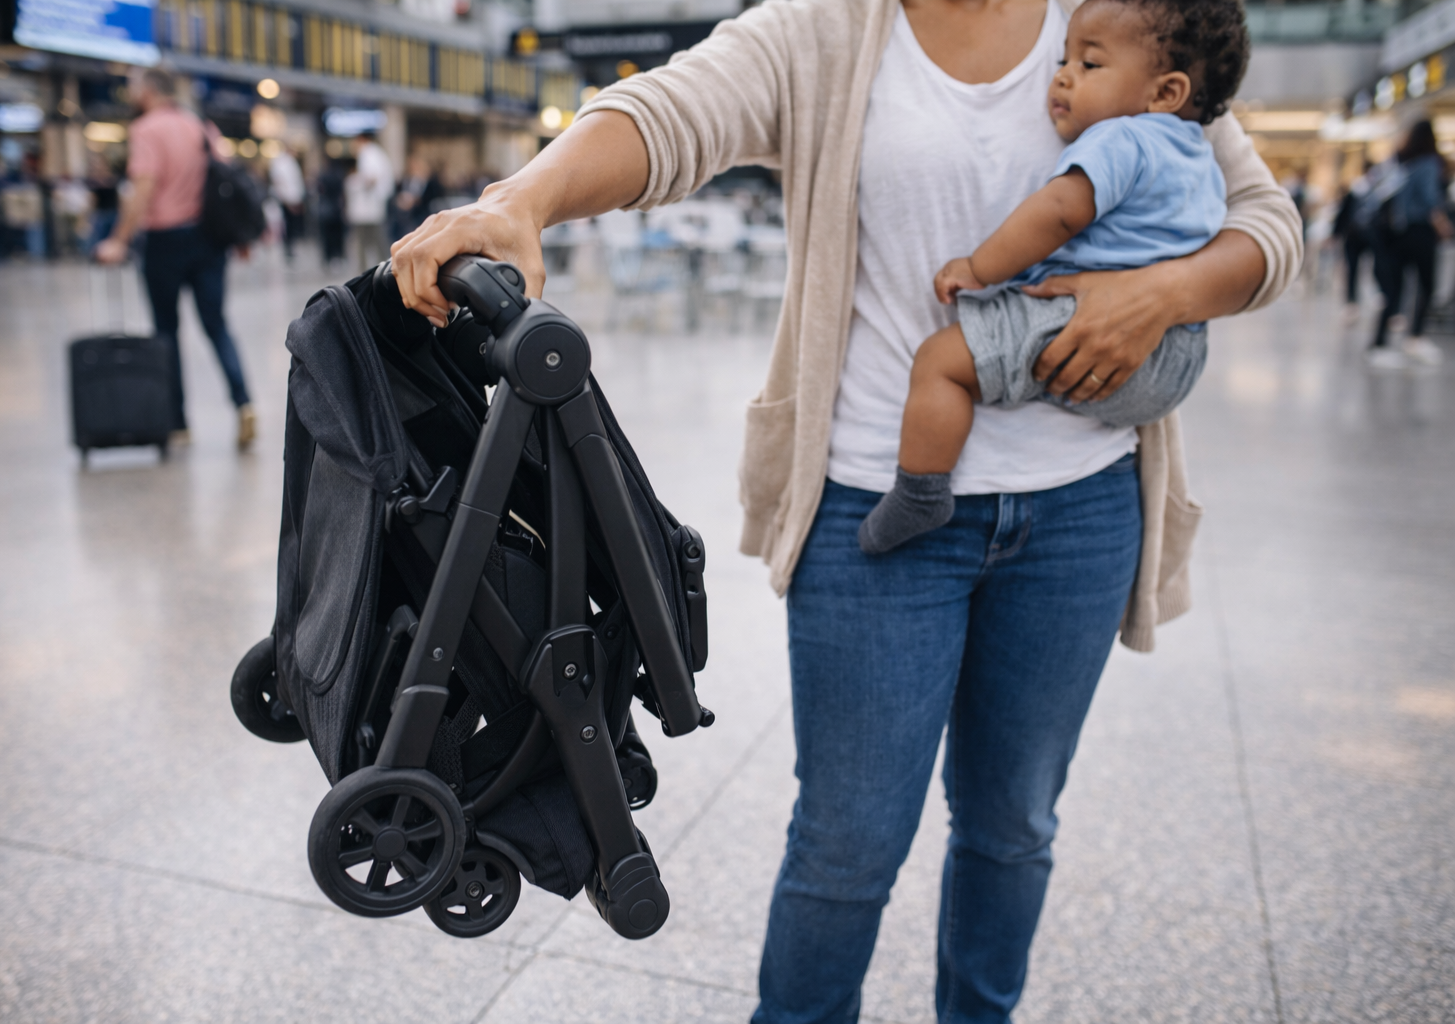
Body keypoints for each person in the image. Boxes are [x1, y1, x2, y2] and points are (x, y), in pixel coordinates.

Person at [389, 0, 1301, 1019]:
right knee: (848, 840)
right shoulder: (827, 26)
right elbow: (673, 112)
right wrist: (525, 198)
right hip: (874, 507)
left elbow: (1267, 222)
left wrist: (1163, 293)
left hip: (1080, 512)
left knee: (1014, 826)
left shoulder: (1123, 22)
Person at [857, 0, 1232, 553]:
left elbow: (1059, 212)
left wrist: (978, 268)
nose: (1063, 75)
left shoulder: (1120, 137)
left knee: (939, 363)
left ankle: (921, 492)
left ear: (1165, 94)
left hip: (1082, 326)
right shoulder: (1198, 156)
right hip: (1175, 357)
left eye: (1090, 65)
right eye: (1064, 59)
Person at [95, 66, 256, 450]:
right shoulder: (201, 126)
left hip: (165, 240)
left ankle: (178, 423)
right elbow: (223, 180)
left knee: (166, 332)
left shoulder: (146, 129)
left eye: (134, 85)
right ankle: (243, 402)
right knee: (216, 325)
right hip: (208, 239)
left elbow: (143, 188)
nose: (130, 91)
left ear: (149, 91)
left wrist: (118, 240)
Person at [1368, 120, 1449, 369]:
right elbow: (1430, 200)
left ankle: (1379, 344)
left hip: (1397, 234)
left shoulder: (1403, 164)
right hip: (1420, 233)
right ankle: (1415, 338)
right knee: (1427, 286)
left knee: (1395, 289)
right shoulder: (1428, 164)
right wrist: (1443, 225)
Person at [344, 131, 395, 270]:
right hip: (373, 207)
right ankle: (383, 269)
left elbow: (371, 178)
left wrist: (356, 183)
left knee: (369, 242)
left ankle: (375, 271)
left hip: (368, 208)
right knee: (375, 241)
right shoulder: (376, 153)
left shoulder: (368, 153)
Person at [1332, 173, 1373, 323]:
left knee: (1371, 269)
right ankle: (1351, 302)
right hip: (1353, 237)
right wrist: (1336, 233)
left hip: (1368, 237)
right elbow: (1343, 213)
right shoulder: (1356, 191)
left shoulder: (1372, 191)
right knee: (1352, 270)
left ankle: (1358, 301)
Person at [269, 144, 307, 263]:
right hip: (286, 200)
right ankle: (287, 250)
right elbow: (280, 182)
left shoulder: (292, 162)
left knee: (293, 226)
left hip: (294, 199)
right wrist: (286, 200)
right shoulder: (279, 162)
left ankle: (291, 249)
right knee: (287, 226)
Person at [316, 156, 348, 266]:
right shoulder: (339, 175)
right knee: (337, 235)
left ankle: (328, 257)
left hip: (326, 209)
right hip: (336, 209)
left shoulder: (323, 176)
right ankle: (338, 256)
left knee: (327, 236)